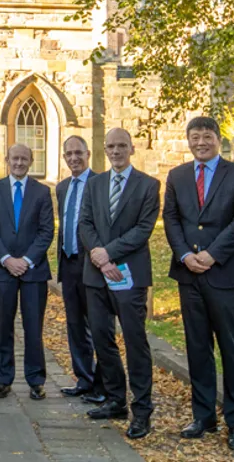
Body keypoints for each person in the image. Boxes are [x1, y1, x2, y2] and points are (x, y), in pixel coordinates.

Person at [163, 117, 234, 450]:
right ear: (188, 140)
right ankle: (203, 416)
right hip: (189, 274)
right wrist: (185, 255)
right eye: (195, 137)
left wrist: (212, 255)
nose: (201, 142)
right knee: (198, 348)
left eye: (207, 136)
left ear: (218, 139)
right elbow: (171, 218)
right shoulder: (177, 176)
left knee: (232, 349)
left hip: (226, 274)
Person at [79, 128, 160, 440]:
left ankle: (142, 409)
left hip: (129, 274)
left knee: (134, 341)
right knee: (101, 336)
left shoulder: (149, 185)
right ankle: (115, 399)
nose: (115, 151)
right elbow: (85, 222)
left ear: (132, 148)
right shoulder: (95, 183)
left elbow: (143, 229)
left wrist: (109, 253)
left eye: (121, 146)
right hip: (96, 275)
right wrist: (100, 259)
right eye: (110, 146)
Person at [0, 144, 54, 401]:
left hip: (33, 271)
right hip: (3, 271)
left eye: (25, 158)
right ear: (7, 160)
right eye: (15, 158)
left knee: (33, 327)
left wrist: (25, 260)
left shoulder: (42, 192)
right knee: (3, 326)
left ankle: (36, 380)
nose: (20, 163)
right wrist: (6, 259)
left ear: (31, 160)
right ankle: (3, 380)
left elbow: (47, 231)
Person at [56, 136, 109, 405]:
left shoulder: (99, 183)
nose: (74, 158)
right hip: (68, 263)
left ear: (88, 153)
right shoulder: (62, 187)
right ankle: (83, 379)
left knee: (98, 326)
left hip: (91, 263)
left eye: (78, 153)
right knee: (75, 325)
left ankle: (102, 384)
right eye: (69, 154)